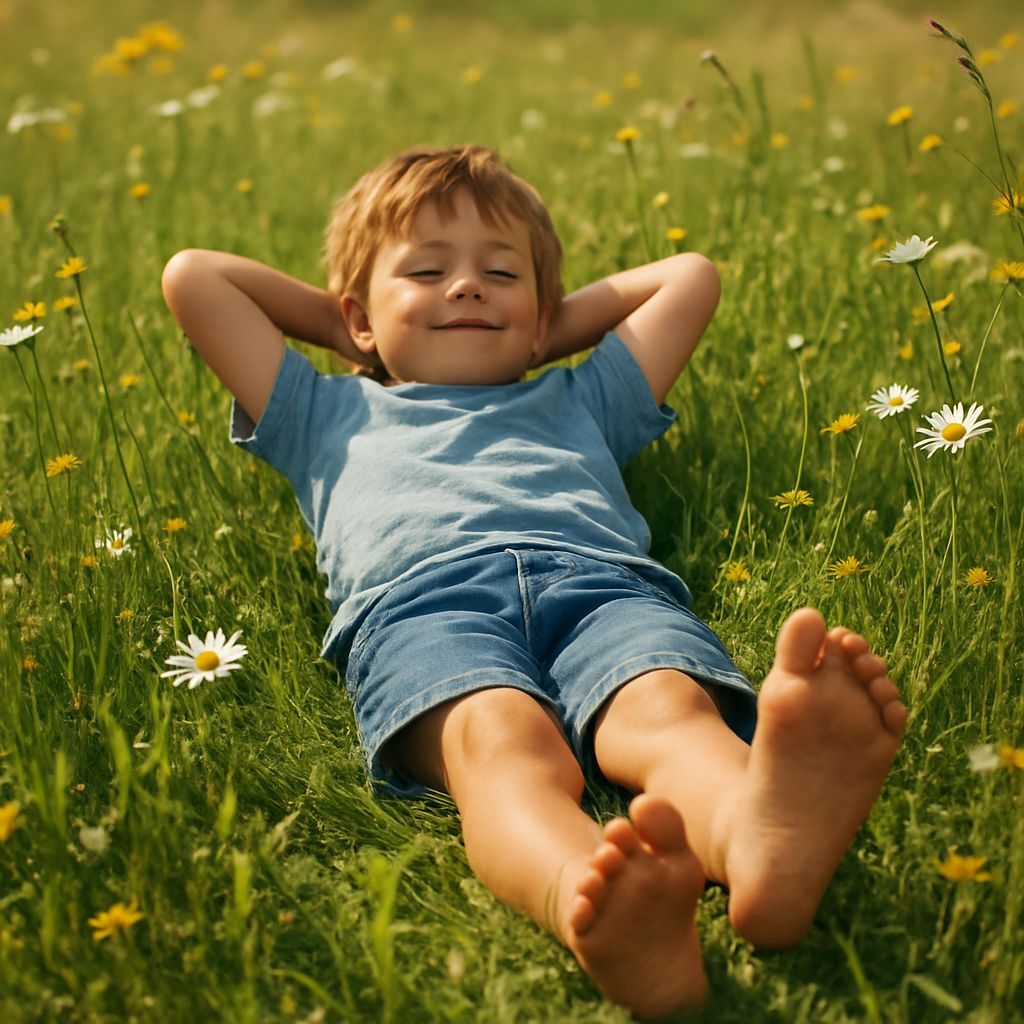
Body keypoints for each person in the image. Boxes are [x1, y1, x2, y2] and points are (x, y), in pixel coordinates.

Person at [161, 144, 907, 1019]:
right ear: (359, 317)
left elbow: (688, 278)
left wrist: (546, 326)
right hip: (424, 611)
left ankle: (756, 839)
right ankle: (587, 896)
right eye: (429, 270)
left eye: (499, 273)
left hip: (604, 590)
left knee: (668, 709)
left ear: (543, 315)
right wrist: (347, 332)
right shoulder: (321, 410)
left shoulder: (582, 399)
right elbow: (196, 277)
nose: (466, 288)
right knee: (499, 744)